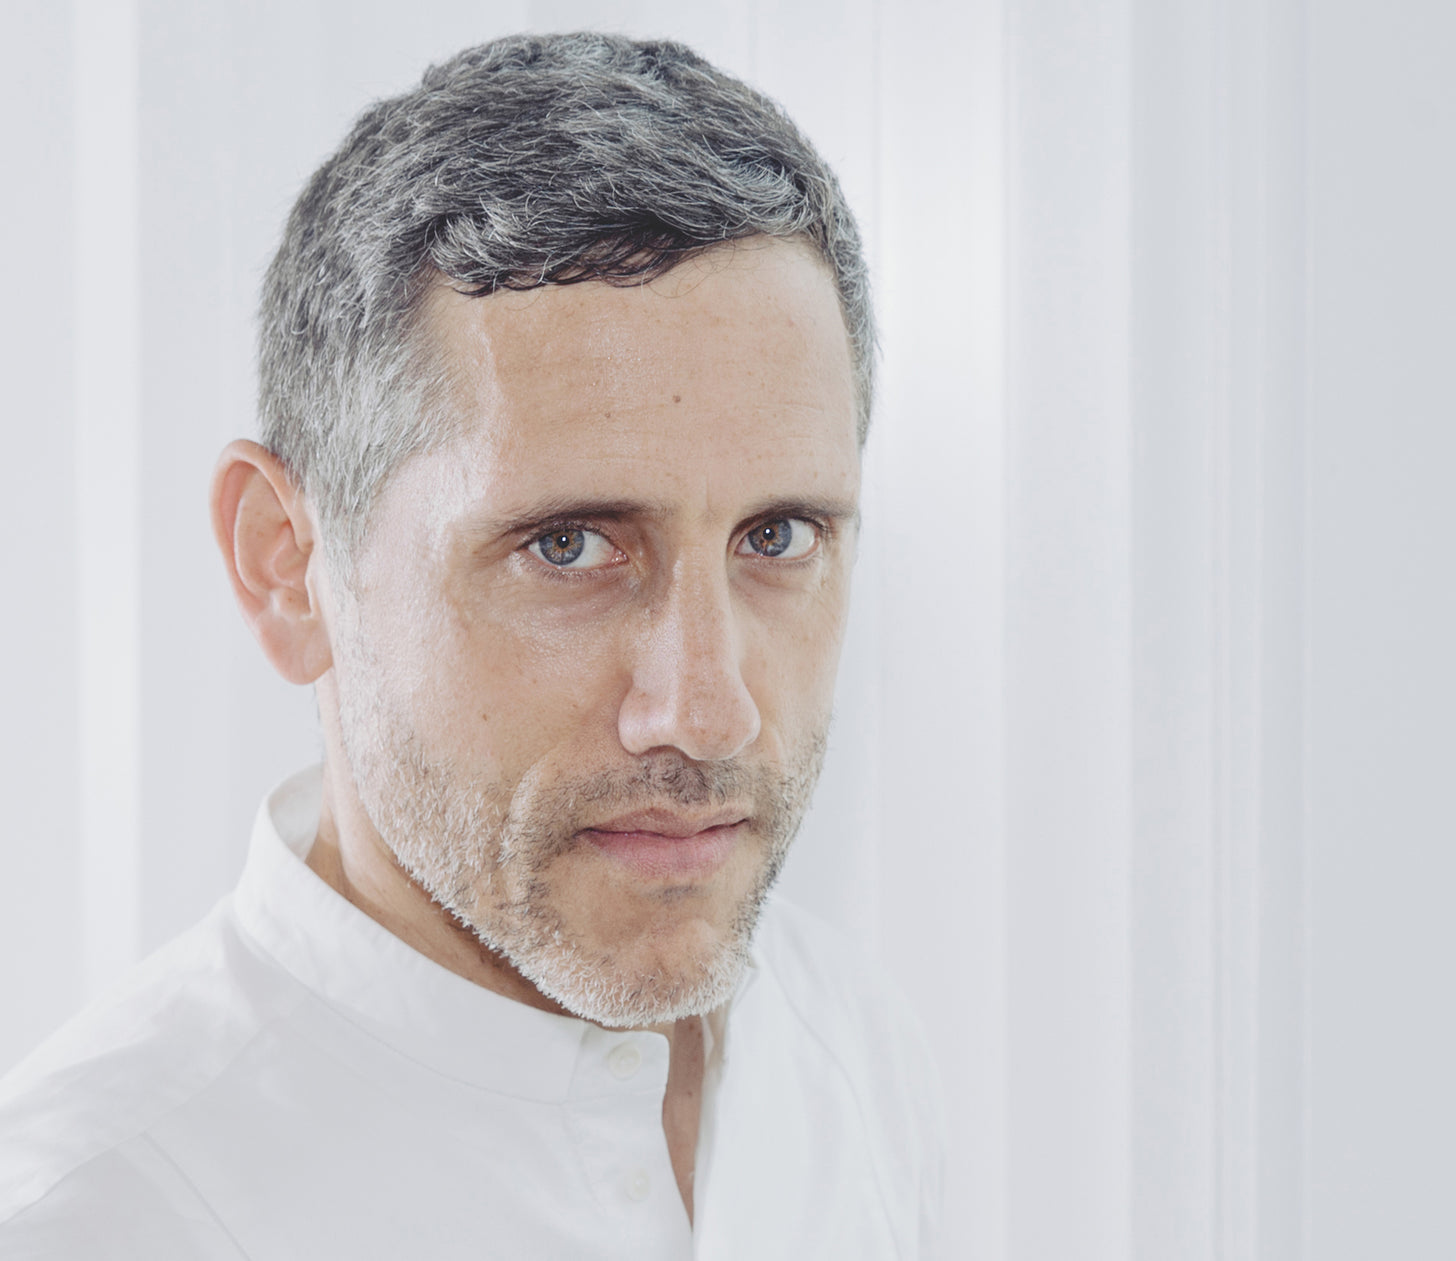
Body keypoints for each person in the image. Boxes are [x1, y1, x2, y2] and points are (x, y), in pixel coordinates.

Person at [0, 31, 941, 1258]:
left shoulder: (852, 1046)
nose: (709, 712)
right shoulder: (96, 1217)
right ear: (288, 565)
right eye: (569, 546)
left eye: (778, 535)